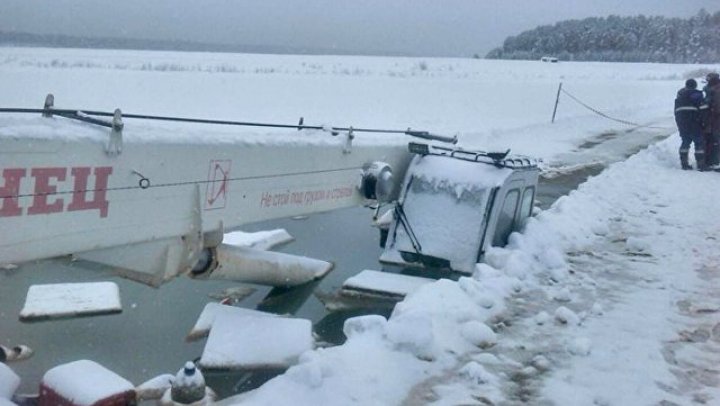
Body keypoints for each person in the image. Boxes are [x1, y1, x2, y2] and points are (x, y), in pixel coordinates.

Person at [674, 78, 705, 170]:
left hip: (682, 123)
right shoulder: (697, 95)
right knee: (699, 143)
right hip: (694, 122)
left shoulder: (679, 96)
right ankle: (700, 164)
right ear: (695, 86)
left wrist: (679, 123)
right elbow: (702, 109)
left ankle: (684, 163)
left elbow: (676, 111)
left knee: (685, 142)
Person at [703, 72, 720, 170]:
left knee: (716, 140)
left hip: (715, 120)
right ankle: (711, 161)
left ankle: (713, 161)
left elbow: (717, 107)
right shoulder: (711, 90)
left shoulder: (716, 91)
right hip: (711, 120)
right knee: (711, 140)